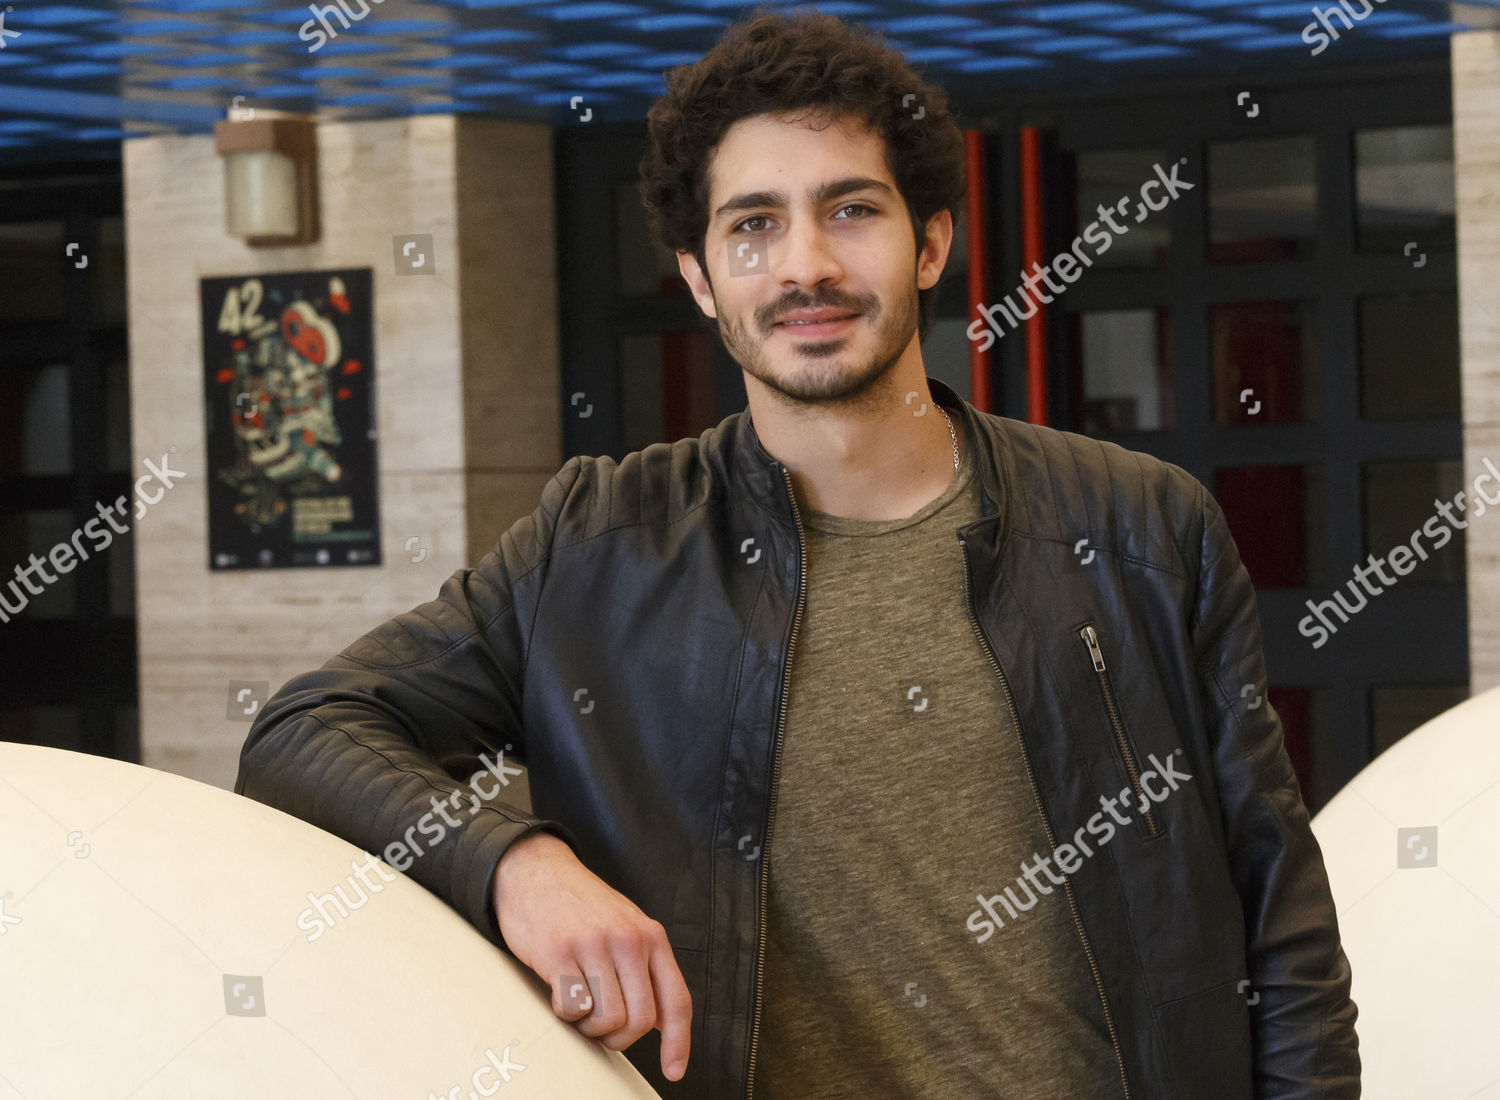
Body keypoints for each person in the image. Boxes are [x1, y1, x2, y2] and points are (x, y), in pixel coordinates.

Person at [236, 8, 1361, 1097]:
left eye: (851, 210)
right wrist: (514, 863)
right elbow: (305, 732)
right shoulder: (596, 546)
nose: (804, 264)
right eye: (754, 225)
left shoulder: (1141, 529)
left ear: (930, 242)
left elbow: (1283, 921)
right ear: (701, 279)